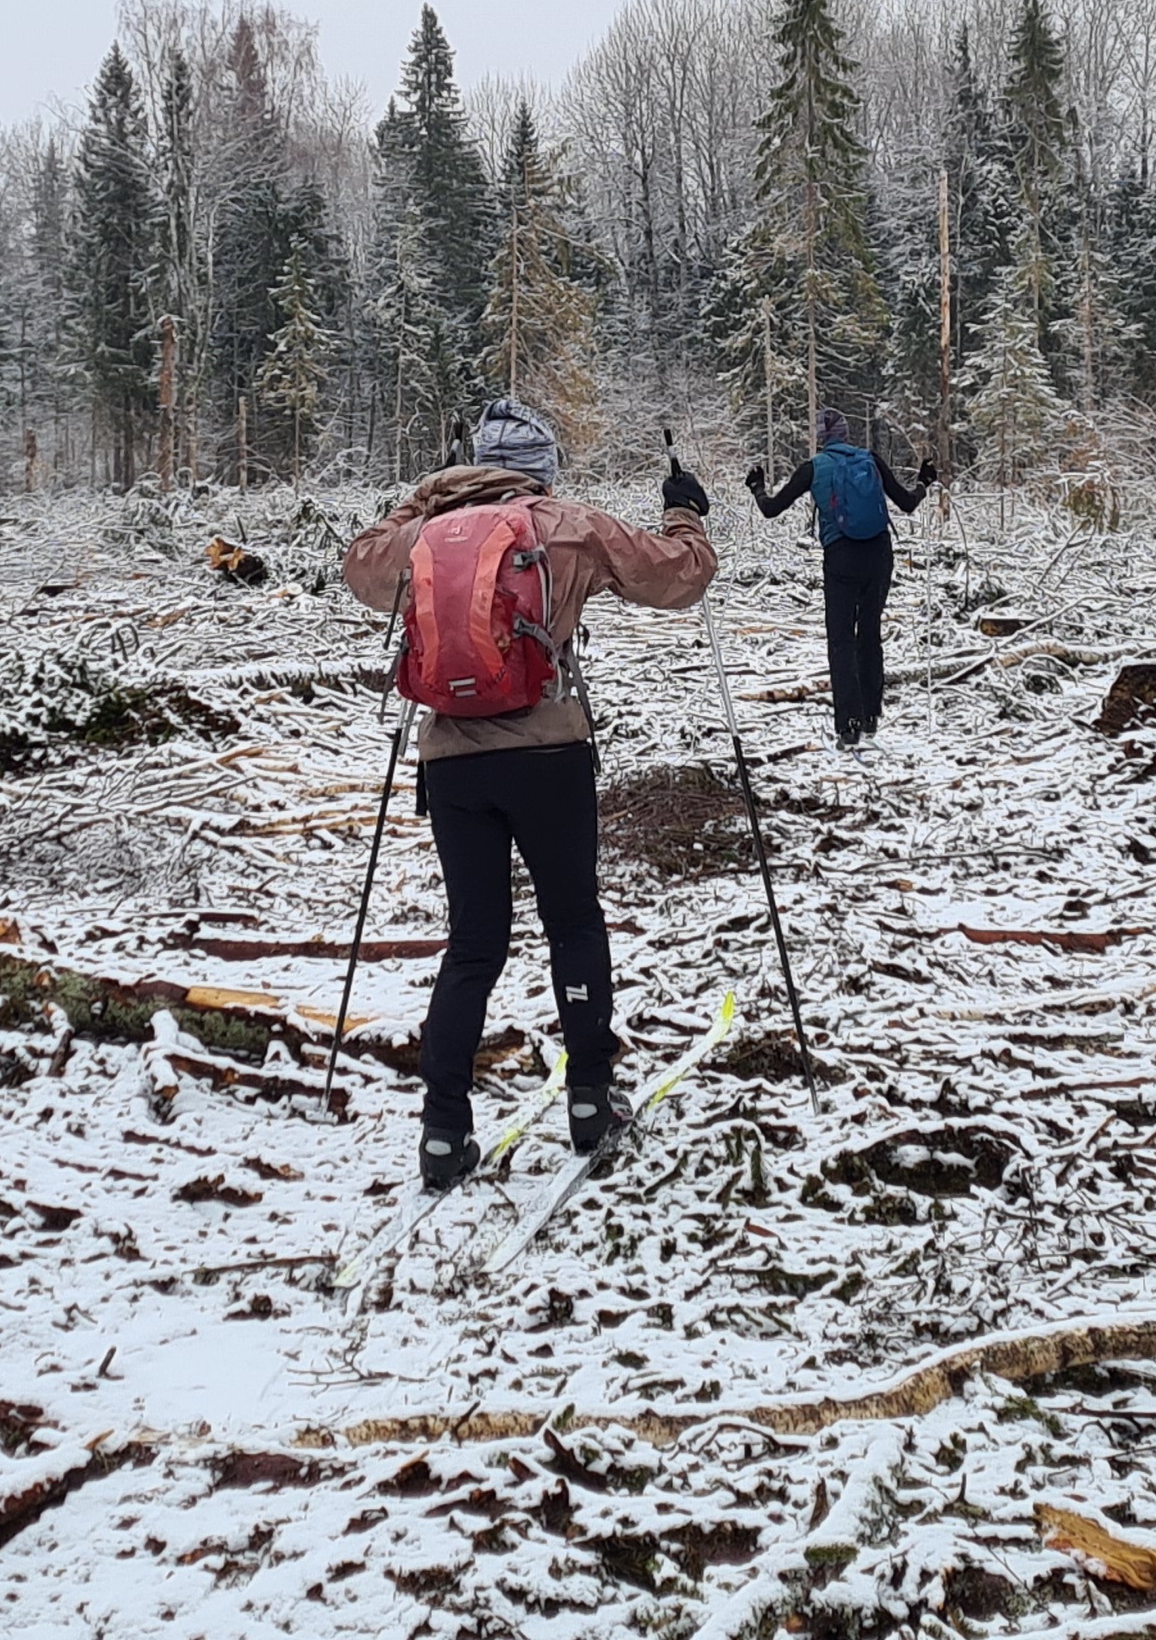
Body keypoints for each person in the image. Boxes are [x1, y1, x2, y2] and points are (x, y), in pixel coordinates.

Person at [340, 398, 717, 1195]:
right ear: (541, 470)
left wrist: (426, 494)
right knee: (572, 921)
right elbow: (680, 578)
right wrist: (685, 513)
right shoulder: (566, 524)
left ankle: (443, 1129)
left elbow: (359, 565)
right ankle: (589, 1099)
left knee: (473, 943)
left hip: (452, 763)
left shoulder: (421, 534)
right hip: (549, 755)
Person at [747, 411, 933, 749]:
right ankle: (871, 714)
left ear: (821, 438)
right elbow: (907, 503)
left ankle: (849, 724)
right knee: (869, 633)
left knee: (841, 640)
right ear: (846, 435)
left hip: (841, 558)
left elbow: (771, 509)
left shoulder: (814, 468)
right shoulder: (870, 460)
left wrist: (757, 488)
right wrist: (923, 483)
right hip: (879, 555)